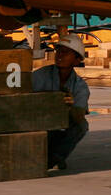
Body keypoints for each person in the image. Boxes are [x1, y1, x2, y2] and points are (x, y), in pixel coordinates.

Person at [32, 33, 90, 170]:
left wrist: (70, 106)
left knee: (82, 126)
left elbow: (79, 116)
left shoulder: (80, 87)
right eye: (58, 51)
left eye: (65, 52)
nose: (59, 55)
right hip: (39, 124)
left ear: (77, 60)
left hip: (58, 129)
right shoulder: (40, 76)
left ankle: (55, 158)